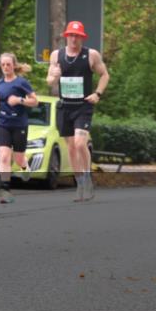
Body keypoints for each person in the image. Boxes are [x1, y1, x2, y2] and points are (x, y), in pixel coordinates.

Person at [46, 21, 110, 202]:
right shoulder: (56, 56)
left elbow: (105, 75)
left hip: (83, 106)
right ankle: (80, 183)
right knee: (72, 148)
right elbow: (49, 81)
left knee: (81, 143)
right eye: (71, 35)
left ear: (82, 37)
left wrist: (97, 93)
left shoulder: (91, 55)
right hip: (65, 106)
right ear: (67, 36)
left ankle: (88, 177)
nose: (74, 39)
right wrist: (54, 76)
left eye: (77, 36)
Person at [0, 53, 37, 204]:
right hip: (3, 123)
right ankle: (6, 192)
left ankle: (25, 167)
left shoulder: (21, 83)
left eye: (8, 64)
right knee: (3, 156)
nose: (5, 67)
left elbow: (34, 101)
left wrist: (19, 100)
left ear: (14, 65)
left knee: (18, 158)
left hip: (19, 124)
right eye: (3, 65)